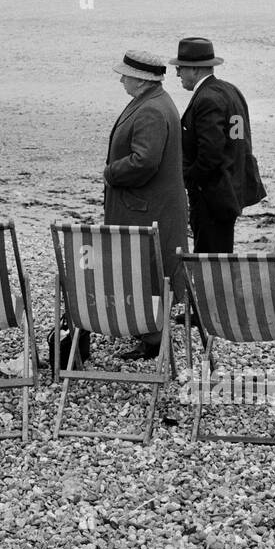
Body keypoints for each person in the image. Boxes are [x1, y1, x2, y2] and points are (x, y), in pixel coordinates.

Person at [103, 49, 188, 358]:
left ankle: (152, 340)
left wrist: (111, 173)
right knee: (148, 268)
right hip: (150, 205)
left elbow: (144, 162)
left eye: (125, 75)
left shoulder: (151, 109)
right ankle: (147, 330)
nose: (122, 79)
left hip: (147, 209)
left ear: (140, 80)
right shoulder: (153, 101)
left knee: (148, 269)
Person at [175, 36, 264, 254]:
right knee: (221, 252)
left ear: (194, 70)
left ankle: (214, 289)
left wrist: (190, 180)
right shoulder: (231, 91)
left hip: (213, 194)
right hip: (233, 185)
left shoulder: (206, 98)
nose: (177, 73)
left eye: (180, 68)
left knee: (209, 255)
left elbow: (210, 154)